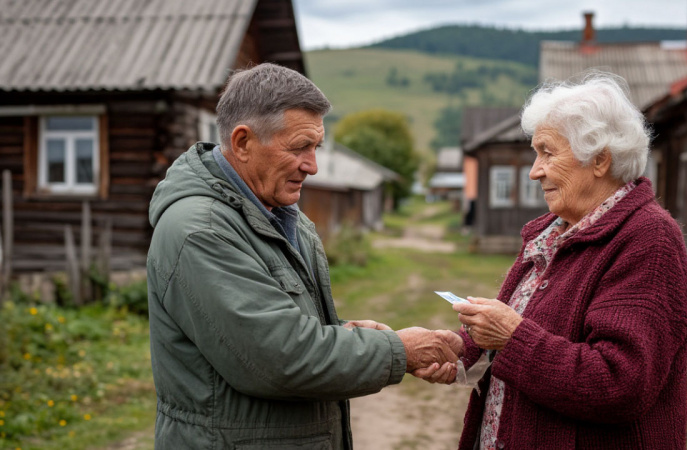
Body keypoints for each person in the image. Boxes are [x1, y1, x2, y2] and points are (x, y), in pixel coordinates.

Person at [146, 63, 460, 449]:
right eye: (299, 147)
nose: (312, 166)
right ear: (242, 143)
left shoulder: (279, 214)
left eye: (316, 148)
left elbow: (274, 323)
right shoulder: (201, 229)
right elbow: (277, 358)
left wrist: (348, 334)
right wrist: (400, 351)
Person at [420, 73, 687, 449]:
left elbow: (620, 383)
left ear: (599, 160)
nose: (535, 171)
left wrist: (512, 337)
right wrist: (456, 350)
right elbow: (527, 330)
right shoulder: (551, 233)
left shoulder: (648, 238)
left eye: (547, 153)